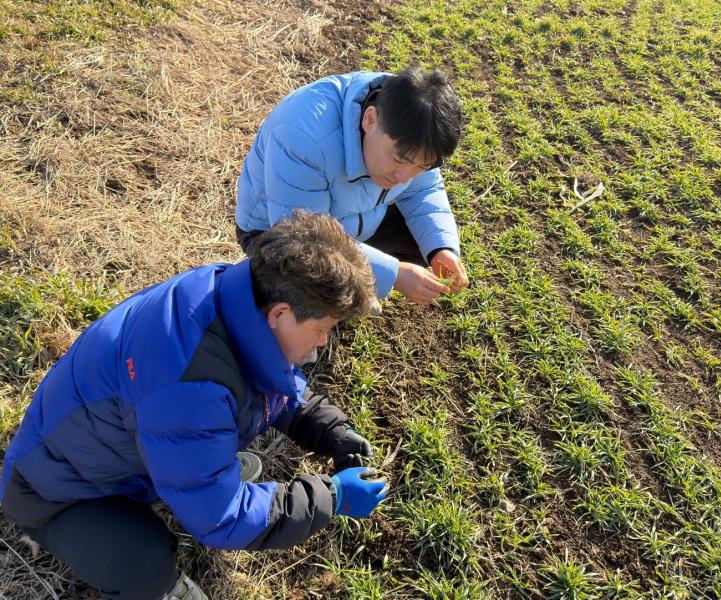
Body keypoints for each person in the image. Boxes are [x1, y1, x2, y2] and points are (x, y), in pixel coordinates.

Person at [0, 212, 390, 600]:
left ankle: (198, 469)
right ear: (281, 315)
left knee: (197, 459)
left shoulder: (235, 293)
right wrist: (332, 497)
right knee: (143, 563)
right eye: (321, 329)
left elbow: (271, 377)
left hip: (116, 439)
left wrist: (329, 429)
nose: (324, 342)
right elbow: (223, 518)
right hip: (50, 490)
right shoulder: (188, 389)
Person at [235, 66, 470, 307]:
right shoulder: (303, 136)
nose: (404, 178)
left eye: (422, 166)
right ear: (370, 119)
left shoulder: (415, 123)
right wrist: (393, 273)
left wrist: (441, 249)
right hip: (278, 231)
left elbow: (423, 191)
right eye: (399, 160)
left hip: (355, 219)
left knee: (424, 240)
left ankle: (358, 281)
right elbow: (302, 237)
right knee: (309, 277)